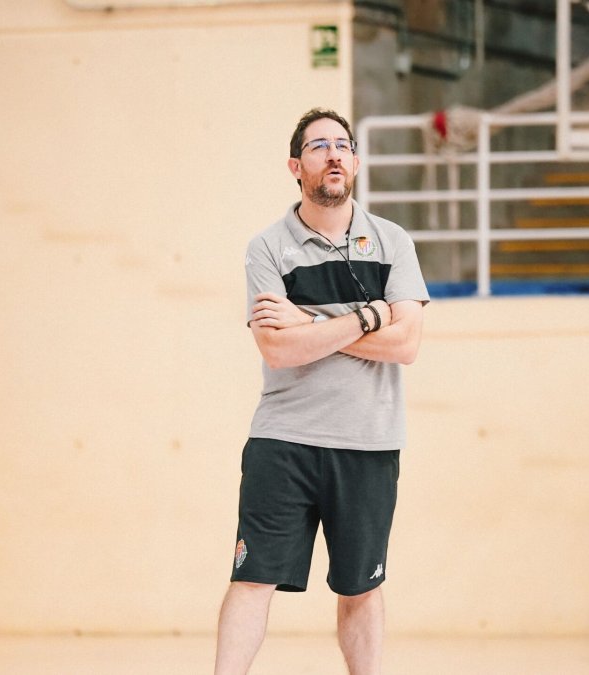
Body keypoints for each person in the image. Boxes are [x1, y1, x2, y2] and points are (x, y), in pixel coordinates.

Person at [214, 108, 429, 675]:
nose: (333, 154)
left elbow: (406, 344)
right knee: (251, 577)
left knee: (360, 587)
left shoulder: (393, 242)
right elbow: (277, 350)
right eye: (318, 146)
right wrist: (367, 317)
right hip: (283, 442)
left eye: (343, 145)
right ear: (296, 166)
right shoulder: (267, 248)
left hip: (369, 443)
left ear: (355, 162)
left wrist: (307, 322)